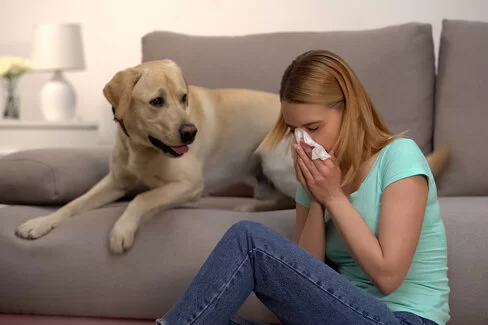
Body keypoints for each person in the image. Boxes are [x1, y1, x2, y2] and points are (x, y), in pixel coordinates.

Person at [157, 50, 450, 325]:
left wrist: (334, 197)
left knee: (248, 238)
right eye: (293, 131)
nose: (303, 143)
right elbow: (305, 279)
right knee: (207, 316)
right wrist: (317, 198)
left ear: (350, 110)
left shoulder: (399, 156)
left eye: (312, 129)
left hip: (404, 319)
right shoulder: (316, 176)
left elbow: (388, 276)